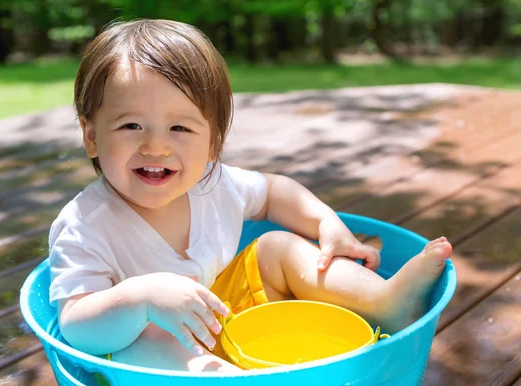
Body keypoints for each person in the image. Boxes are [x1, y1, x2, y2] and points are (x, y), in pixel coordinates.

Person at [48, 19, 453, 372]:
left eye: (180, 129)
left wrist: (325, 222)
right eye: (131, 126)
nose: (156, 147)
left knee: (276, 247)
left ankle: (384, 302)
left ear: (212, 145)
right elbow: (76, 325)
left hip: (224, 313)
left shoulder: (214, 183)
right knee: (144, 342)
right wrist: (140, 300)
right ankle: (220, 376)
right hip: (158, 355)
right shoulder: (84, 225)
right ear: (91, 136)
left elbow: (274, 192)